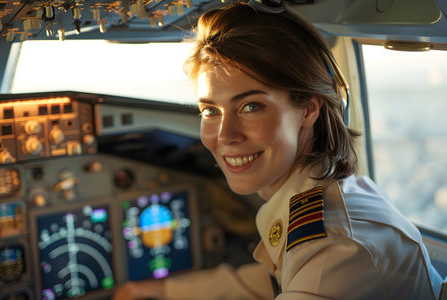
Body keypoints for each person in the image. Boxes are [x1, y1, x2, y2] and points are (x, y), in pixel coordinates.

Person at [112, 1, 443, 299]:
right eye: (210, 111)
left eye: (251, 106)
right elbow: (275, 279)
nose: (225, 135)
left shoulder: (336, 249)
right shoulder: (326, 194)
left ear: (309, 109)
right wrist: (157, 290)